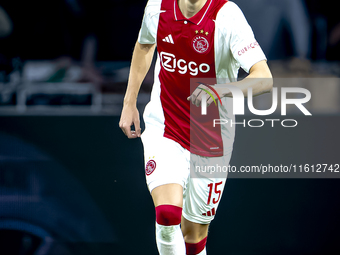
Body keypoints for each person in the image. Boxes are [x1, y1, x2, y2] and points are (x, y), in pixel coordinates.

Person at [119, 0, 272, 254]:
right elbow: (145, 45)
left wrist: (220, 91)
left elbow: (264, 78)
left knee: (194, 234)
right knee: (168, 215)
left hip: (210, 134)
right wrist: (129, 102)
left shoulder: (227, 16)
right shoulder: (157, 7)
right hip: (165, 126)